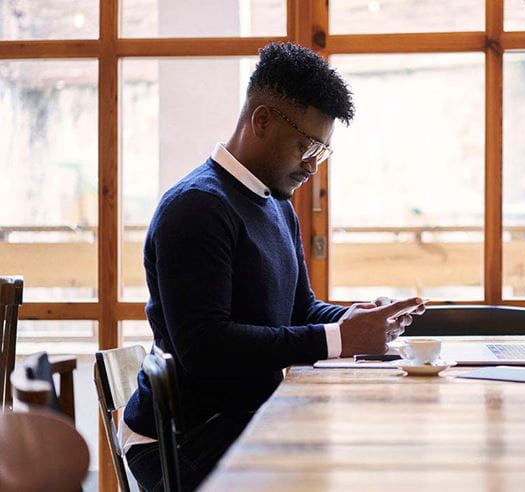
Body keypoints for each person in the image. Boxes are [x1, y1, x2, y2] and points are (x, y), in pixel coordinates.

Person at [119, 42, 425, 491]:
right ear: (261, 120)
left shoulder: (274, 202)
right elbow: (205, 348)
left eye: (321, 152)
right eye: (306, 145)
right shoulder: (197, 207)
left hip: (241, 416)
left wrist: (358, 321)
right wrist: (339, 338)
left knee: (376, 449)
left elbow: (299, 310)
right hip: (182, 440)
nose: (311, 167)